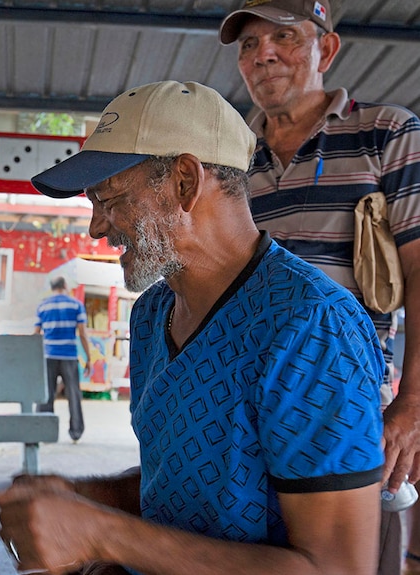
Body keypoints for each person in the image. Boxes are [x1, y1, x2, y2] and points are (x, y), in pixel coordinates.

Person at [0, 80, 386, 575]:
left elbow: (339, 568)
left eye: (110, 198)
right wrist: (90, 499)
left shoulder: (312, 326)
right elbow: (192, 483)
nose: (96, 226)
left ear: (184, 181)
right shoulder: (152, 315)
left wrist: (105, 534)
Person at [218, 2, 420, 572]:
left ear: (326, 50)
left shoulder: (386, 134)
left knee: (351, 560)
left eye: (284, 37)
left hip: (346, 410)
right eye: (250, 45)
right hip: (241, 417)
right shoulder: (231, 160)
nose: (265, 55)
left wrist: (413, 402)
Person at [34, 276, 91, 442]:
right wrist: (88, 358)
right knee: (73, 395)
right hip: (69, 356)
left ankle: (44, 433)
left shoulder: (43, 306)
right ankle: (76, 433)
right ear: (65, 286)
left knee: (46, 396)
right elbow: (83, 334)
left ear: (52, 287)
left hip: (48, 356)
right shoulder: (76, 305)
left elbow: (36, 335)